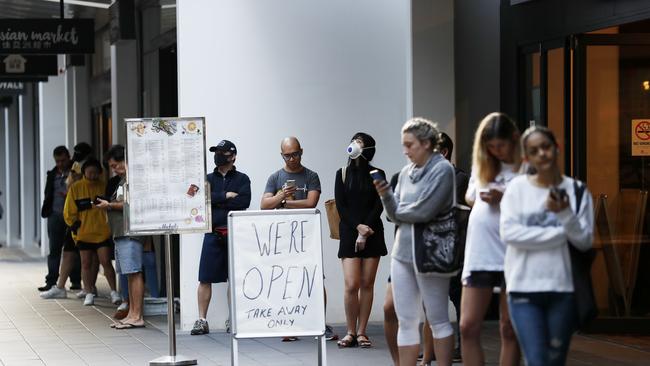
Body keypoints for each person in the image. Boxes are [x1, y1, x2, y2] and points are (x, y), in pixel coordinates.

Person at [501, 126, 593, 366]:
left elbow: (584, 241)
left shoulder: (577, 191)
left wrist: (564, 214)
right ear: (526, 158)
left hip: (563, 289)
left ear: (557, 149)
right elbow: (510, 234)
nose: (542, 153)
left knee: (555, 360)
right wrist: (559, 234)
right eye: (534, 150)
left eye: (546, 147)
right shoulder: (517, 189)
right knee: (537, 360)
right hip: (523, 288)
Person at [374, 117, 455, 366]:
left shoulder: (442, 169)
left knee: (438, 317)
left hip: (431, 251)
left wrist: (398, 207)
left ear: (427, 143)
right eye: (404, 145)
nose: (405, 151)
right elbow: (392, 213)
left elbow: (424, 212)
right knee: (406, 319)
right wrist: (388, 195)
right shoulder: (407, 172)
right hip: (403, 252)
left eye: (410, 145)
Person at [260, 136, 338, 342]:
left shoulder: (311, 176)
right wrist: (282, 196)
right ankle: (288, 324)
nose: (291, 159)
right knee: (285, 279)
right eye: (287, 155)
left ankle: (319, 323)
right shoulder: (275, 177)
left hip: (307, 236)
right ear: (281, 155)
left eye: (295, 154)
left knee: (315, 278)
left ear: (301, 152)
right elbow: (264, 205)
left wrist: (283, 203)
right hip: (283, 238)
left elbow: (312, 203)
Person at [460, 112, 521, 366]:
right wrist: (483, 196)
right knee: (467, 326)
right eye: (491, 146)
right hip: (481, 251)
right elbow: (470, 196)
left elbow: (535, 202)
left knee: (509, 327)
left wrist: (503, 196)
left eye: (501, 145)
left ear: (513, 140)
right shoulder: (482, 164)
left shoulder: (526, 166)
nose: (496, 152)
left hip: (513, 252)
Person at [191, 140, 251, 335]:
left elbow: (244, 201)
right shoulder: (207, 178)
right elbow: (202, 199)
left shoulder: (242, 179)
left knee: (234, 278)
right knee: (204, 278)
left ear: (233, 156)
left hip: (235, 234)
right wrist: (225, 196)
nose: (218, 155)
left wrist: (216, 200)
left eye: (222, 153)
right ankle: (201, 320)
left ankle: (233, 319)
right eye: (216, 152)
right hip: (212, 232)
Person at [420, 132, 469, 365]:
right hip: (430, 248)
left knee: (457, 296)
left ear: (444, 152)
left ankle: (461, 345)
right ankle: (430, 349)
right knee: (430, 301)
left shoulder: (459, 178)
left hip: (454, 248)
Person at [334, 133, 387, 349]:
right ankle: (350, 331)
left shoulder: (378, 173)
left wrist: (365, 230)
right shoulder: (343, 173)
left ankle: (362, 332)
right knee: (351, 284)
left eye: (360, 142)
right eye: (354, 140)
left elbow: (380, 204)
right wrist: (357, 227)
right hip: (349, 231)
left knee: (367, 283)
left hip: (372, 231)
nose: (354, 145)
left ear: (368, 149)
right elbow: (341, 206)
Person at [96, 145, 146, 329]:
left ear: (126, 160)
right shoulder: (122, 180)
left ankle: (137, 315)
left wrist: (109, 205)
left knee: (134, 272)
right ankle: (132, 313)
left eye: (116, 165)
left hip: (129, 232)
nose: (114, 169)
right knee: (128, 274)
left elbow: (130, 204)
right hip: (121, 232)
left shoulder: (134, 179)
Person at [63, 158, 121, 306]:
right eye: (90, 172)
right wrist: (75, 225)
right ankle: (89, 292)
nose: (93, 175)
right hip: (84, 233)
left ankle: (114, 292)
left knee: (106, 261)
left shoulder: (104, 187)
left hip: (102, 232)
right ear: (84, 173)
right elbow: (68, 211)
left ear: (100, 173)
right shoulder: (76, 188)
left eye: (96, 173)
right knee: (86, 263)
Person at [38, 146, 82, 292]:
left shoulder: (75, 172)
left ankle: (75, 280)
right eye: (57, 161)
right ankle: (51, 281)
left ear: (69, 157)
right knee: (54, 249)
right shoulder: (52, 174)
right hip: (55, 215)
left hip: (72, 215)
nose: (60, 164)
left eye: (63, 160)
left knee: (73, 249)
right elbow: (48, 193)